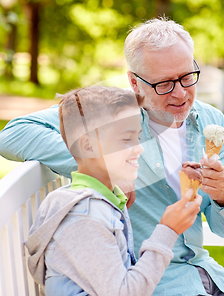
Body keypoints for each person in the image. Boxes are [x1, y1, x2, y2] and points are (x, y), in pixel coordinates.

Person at [0, 18, 224, 296]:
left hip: (206, 273)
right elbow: (15, 134)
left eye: (187, 77)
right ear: (134, 82)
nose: (181, 93)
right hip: (151, 282)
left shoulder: (212, 119)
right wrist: (107, 168)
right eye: (164, 84)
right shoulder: (112, 114)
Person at [25, 85, 202, 295]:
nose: (139, 147)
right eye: (126, 139)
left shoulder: (106, 202)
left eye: (138, 137)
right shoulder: (84, 217)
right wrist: (168, 230)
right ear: (88, 147)